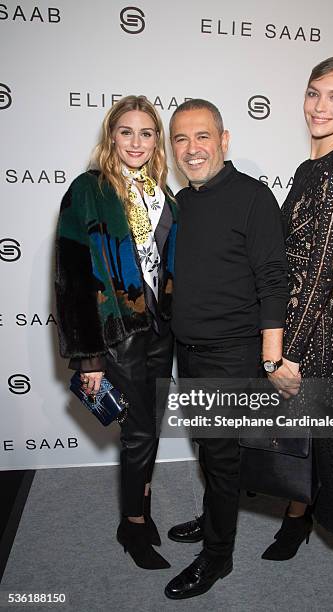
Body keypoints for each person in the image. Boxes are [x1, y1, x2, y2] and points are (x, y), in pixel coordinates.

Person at [164, 99, 289, 600]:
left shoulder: (253, 198)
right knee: (207, 447)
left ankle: (218, 556)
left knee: (220, 455)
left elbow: (273, 278)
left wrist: (271, 356)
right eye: (181, 139)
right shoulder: (181, 201)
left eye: (202, 137)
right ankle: (213, 513)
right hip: (188, 349)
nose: (192, 149)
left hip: (231, 353)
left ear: (224, 139)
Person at [55, 95, 176, 570]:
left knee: (147, 431)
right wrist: (89, 358)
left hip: (160, 330)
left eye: (147, 133)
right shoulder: (89, 189)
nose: (136, 142)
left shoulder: (160, 192)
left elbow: (165, 266)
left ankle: (139, 511)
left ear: (156, 142)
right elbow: (72, 277)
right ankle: (133, 525)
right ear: (111, 136)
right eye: (126, 131)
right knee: (139, 432)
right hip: (116, 333)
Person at [263, 56, 333, 560]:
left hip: (311, 332)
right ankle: (292, 512)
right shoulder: (310, 167)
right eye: (313, 93)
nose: (320, 107)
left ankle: (297, 519)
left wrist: (290, 353)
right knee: (288, 428)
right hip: (293, 320)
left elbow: (319, 272)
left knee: (303, 431)